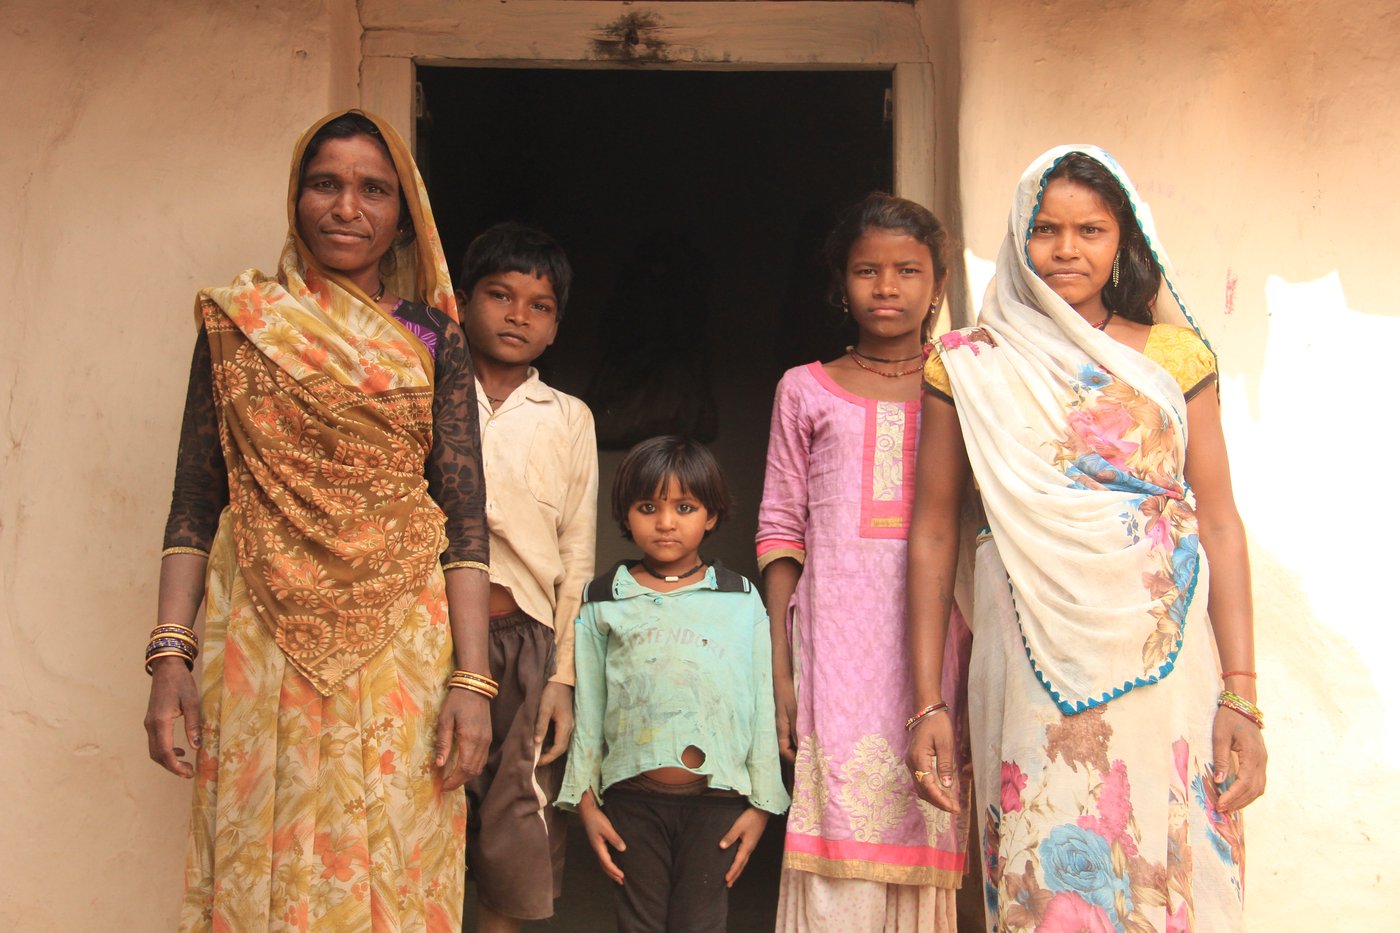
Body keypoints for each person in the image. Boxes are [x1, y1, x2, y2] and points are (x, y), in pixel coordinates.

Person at [142, 110, 493, 931]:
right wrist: (168, 656)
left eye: (373, 190)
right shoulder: (240, 325)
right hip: (258, 634)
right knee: (258, 849)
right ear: (295, 198)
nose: (347, 207)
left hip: (400, 637)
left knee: (395, 855)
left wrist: (472, 681)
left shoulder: (431, 337)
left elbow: (464, 515)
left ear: (402, 217)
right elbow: (197, 495)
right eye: (325, 183)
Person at [907, 146, 1266, 932]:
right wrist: (926, 698)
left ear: (1123, 241)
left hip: (1163, 657)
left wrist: (1243, 693)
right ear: (1016, 237)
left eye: (1090, 230)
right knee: (1045, 867)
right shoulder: (968, 363)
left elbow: (1220, 521)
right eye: (1046, 229)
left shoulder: (1176, 358)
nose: (1067, 249)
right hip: (1029, 649)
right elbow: (934, 530)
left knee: (1164, 862)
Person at [757, 192, 970, 932]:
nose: (887, 287)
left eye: (908, 271)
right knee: (835, 828)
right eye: (866, 271)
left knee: (927, 807)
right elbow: (780, 529)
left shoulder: (966, 386)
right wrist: (780, 668)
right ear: (838, 284)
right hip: (832, 642)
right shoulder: (803, 388)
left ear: (937, 284)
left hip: (935, 640)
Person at [557, 436, 790, 933]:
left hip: (718, 804)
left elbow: (759, 704)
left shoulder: (740, 599)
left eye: (684, 507)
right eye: (648, 507)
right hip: (632, 801)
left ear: (710, 515)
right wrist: (584, 802)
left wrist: (762, 806)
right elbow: (590, 711)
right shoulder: (604, 600)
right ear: (627, 514)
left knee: (699, 924)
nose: (665, 522)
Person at [454, 222, 598, 931]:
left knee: (515, 828)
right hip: (434, 637)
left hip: (526, 644)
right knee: (421, 808)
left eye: (538, 305)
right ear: (460, 302)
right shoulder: (432, 399)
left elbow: (577, 554)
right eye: (499, 295)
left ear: (555, 328)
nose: (517, 314)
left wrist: (563, 677)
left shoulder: (568, 417)